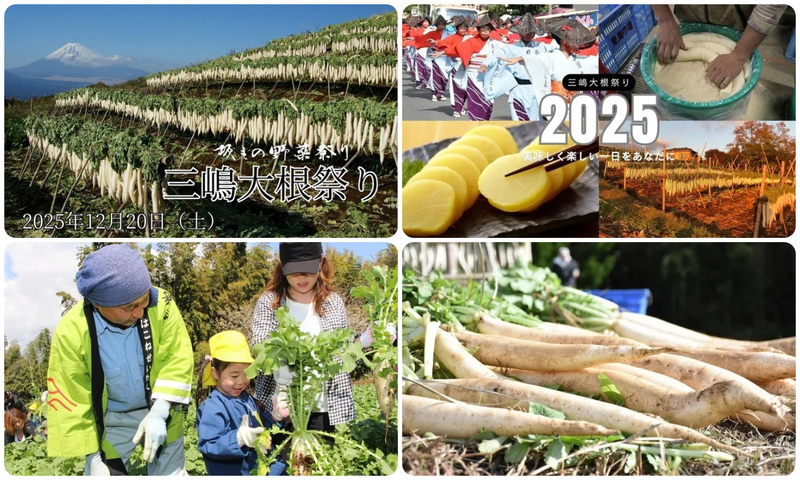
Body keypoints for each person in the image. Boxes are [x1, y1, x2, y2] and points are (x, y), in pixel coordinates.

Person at [47, 244, 194, 475]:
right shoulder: (71, 332)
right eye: (129, 307)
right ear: (97, 304)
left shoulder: (162, 303)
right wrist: (94, 457)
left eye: (144, 301)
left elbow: (177, 356)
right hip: (111, 419)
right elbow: (73, 396)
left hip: (161, 408)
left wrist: (161, 409)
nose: (139, 313)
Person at [251, 243, 358, 436]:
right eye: (294, 272)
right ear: (282, 266)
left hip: (325, 407)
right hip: (281, 406)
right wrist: (282, 367)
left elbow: (344, 351)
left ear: (321, 262)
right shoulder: (269, 302)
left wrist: (365, 341)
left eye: (308, 271)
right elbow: (259, 345)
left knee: (322, 462)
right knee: (280, 464)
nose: (301, 278)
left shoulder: (333, 302)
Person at [196, 331, 285, 476]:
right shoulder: (213, 407)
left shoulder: (246, 398)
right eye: (234, 375)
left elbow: (261, 428)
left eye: (247, 373)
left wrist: (275, 417)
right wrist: (237, 439)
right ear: (215, 373)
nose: (242, 381)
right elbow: (209, 444)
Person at [652, 5, 789, 89]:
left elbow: (770, 7)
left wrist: (738, 57)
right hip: (691, 9)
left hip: (737, 13)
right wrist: (665, 19)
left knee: (734, 59)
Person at [481, 13, 559, 120]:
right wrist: (485, 64)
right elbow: (496, 55)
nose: (528, 34)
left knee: (534, 123)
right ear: (520, 32)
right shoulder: (511, 48)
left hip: (536, 89)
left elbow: (556, 52)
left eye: (531, 32)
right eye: (525, 31)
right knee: (519, 121)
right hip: (518, 89)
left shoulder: (541, 47)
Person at [456, 14, 503, 120]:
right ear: (478, 29)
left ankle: (484, 119)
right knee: (474, 97)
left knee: (488, 100)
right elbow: (458, 49)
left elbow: (506, 51)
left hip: (489, 74)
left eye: (487, 29)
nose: (485, 31)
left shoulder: (495, 43)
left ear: (491, 30)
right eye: (482, 29)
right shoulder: (471, 41)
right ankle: (473, 119)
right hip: (474, 73)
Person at [546, 18, 599, 103]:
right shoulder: (550, 58)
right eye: (574, 41)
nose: (578, 45)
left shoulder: (580, 59)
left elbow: (595, 63)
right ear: (564, 41)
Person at [416, 15, 449, 99]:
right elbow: (422, 39)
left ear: (445, 25)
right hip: (434, 56)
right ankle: (434, 93)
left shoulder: (448, 34)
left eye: (442, 24)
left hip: (445, 56)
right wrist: (413, 39)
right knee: (435, 75)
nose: (441, 26)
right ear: (436, 25)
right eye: (439, 24)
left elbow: (452, 43)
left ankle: (440, 93)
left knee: (445, 76)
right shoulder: (432, 33)